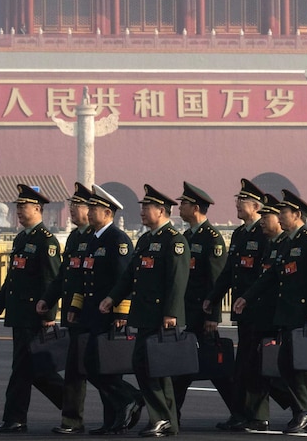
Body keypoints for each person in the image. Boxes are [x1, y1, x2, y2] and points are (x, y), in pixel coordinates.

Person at [234, 189, 307, 434]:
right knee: (289, 365)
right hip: (287, 313)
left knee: (292, 364)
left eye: (283, 212)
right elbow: (270, 276)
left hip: (302, 313)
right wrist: (246, 297)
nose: (280, 216)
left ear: (296, 214)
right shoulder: (288, 242)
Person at [100, 185, 190, 438]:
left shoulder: (174, 241)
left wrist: (170, 313)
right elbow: (130, 275)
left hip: (162, 317)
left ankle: (161, 418)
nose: (141, 211)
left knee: (153, 368)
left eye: (146, 207)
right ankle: (166, 420)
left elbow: (177, 280)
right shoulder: (146, 240)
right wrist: (112, 297)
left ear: (161, 211)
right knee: (149, 368)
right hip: (145, 316)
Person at [0, 184, 64, 433]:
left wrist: (49, 316)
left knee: (27, 370)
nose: (19, 211)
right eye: (17, 206)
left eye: (24, 207)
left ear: (38, 209)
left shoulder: (46, 241)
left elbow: (51, 280)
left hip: (34, 316)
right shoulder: (22, 238)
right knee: (35, 371)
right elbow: (12, 279)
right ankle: (70, 408)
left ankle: (16, 418)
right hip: (19, 315)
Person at [67, 184, 143, 435]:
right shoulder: (92, 239)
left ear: (108, 212)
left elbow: (125, 279)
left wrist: (121, 312)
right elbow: (83, 277)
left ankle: (127, 403)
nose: (89, 212)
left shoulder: (117, 240)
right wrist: (75, 307)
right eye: (88, 207)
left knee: (102, 365)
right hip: (91, 312)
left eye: (94, 208)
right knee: (91, 364)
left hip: (109, 314)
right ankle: (122, 408)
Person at [204, 179, 273, 431]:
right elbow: (228, 273)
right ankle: (243, 412)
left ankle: (258, 415)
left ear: (256, 206)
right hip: (242, 309)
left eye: (241, 201)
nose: (237, 204)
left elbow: (266, 276)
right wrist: (213, 296)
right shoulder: (239, 233)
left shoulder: (263, 234)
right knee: (244, 365)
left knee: (257, 364)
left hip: (258, 309)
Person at [171, 182, 235, 423]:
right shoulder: (187, 236)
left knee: (217, 370)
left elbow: (215, 282)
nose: (180, 207)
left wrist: (212, 317)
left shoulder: (212, 239)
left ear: (195, 207)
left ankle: (240, 412)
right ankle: (172, 415)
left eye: (184, 204)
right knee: (184, 367)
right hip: (188, 312)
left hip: (202, 313)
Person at [36, 183, 95, 435]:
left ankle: (126, 400)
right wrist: (48, 301)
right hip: (73, 314)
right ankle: (72, 420)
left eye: (77, 205)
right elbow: (62, 278)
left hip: (89, 314)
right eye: (71, 205)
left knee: (93, 370)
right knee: (78, 369)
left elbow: (89, 280)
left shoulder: (96, 238)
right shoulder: (74, 237)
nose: (71, 209)